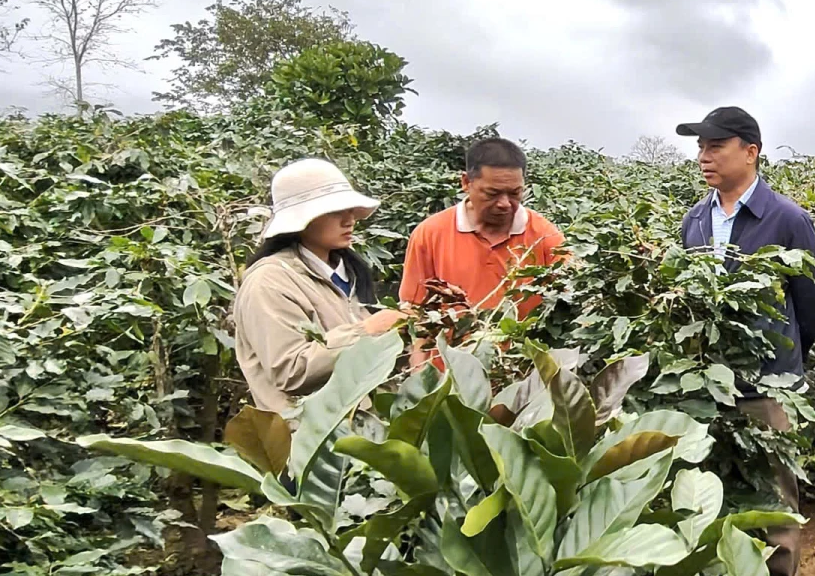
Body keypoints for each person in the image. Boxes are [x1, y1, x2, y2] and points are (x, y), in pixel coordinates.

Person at [675, 106, 815, 576]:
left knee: (775, 501)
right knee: (711, 495)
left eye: (715, 146)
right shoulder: (695, 220)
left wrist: (782, 363)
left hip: (768, 389)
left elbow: (810, 306)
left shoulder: (787, 219)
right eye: (701, 147)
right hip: (709, 390)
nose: (704, 157)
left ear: (750, 152)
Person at [233, 158, 406, 415]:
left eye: (351, 210)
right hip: (311, 434)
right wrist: (367, 331)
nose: (349, 220)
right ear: (302, 220)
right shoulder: (269, 282)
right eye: (335, 211)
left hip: (362, 429)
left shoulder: (349, 272)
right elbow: (291, 370)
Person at [400, 137, 566, 317]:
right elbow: (413, 307)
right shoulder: (430, 234)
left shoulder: (545, 235)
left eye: (514, 193)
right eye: (492, 193)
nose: (504, 204)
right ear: (466, 182)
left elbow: (571, 291)